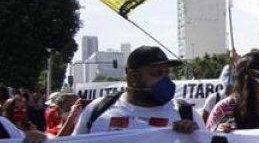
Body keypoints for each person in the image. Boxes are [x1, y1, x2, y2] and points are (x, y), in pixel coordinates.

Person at [73, 46, 203, 135]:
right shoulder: (97, 109)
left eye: (166, 73)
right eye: (157, 73)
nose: (165, 80)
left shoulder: (186, 113)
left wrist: (194, 136)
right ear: (133, 76)